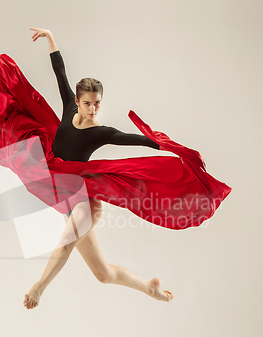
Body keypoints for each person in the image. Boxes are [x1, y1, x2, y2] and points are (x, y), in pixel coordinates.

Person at [23, 27, 175, 309]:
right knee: (103, 274)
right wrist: (51, 37)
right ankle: (149, 288)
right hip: (65, 197)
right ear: (77, 102)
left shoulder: (98, 131)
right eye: (88, 104)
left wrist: (161, 145)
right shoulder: (69, 107)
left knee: (66, 242)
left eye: (97, 104)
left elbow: (128, 139)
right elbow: (60, 72)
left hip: (84, 201)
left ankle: (39, 287)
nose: (93, 110)